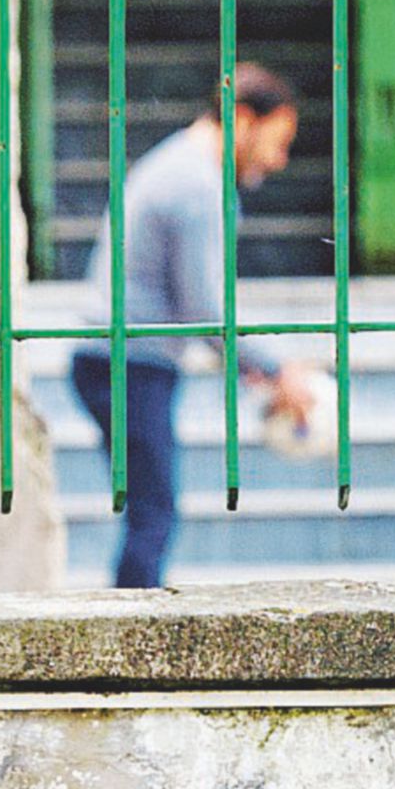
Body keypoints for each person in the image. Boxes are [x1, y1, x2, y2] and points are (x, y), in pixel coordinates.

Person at [72, 62, 316, 589]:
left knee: (150, 510)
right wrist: (279, 369)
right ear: (244, 119)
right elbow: (208, 309)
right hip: (128, 364)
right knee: (154, 514)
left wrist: (246, 362)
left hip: (121, 359)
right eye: (277, 141)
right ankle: (128, 646)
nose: (278, 161)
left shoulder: (182, 166)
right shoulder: (196, 183)